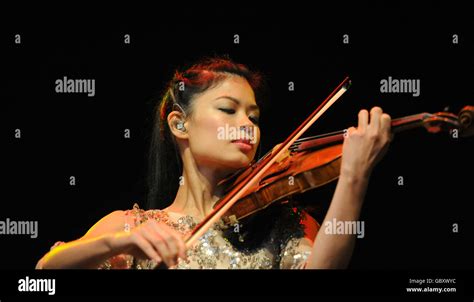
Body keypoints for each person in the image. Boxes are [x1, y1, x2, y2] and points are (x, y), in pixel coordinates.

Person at [36, 57, 392, 269]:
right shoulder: (134, 226)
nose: (248, 126)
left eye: (253, 117)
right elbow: (39, 277)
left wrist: (354, 177)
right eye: (228, 109)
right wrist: (117, 244)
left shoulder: (283, 223)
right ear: (180, 124)